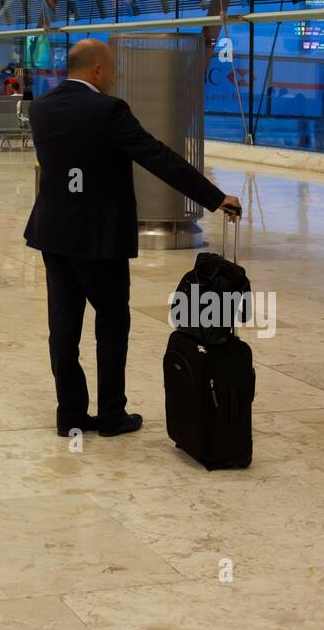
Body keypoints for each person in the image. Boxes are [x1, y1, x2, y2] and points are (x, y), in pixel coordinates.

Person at [24, 39, 242, 439]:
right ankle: (110, 416)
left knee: (64, 329)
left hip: (54, 235)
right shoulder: (108, 110)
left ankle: (70, 415)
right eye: (112, 70)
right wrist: (214, 197)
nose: (115, 77)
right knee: (111, 324)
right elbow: (158, 157)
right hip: (99, 239)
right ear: (95, 70)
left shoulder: (41, 108)